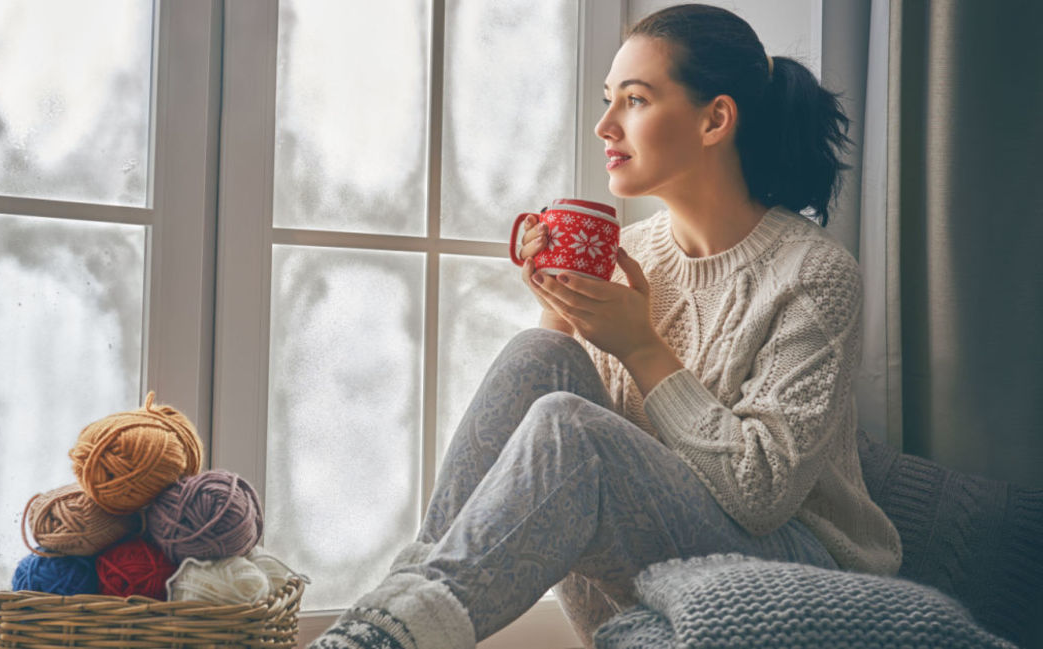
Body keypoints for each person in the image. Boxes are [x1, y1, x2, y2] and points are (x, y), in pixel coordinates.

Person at [308, 4, 901, 649]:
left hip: (799, 575)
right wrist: (559, 311)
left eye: (635, 101)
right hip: (656, 564)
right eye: (606, 100)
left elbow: (760, 492)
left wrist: (641, 346)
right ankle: (391, 620)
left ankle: (388, 633)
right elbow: (596, 450)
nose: (604, 125)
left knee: (574, 429)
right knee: (540, 354)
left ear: (715, 119)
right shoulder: (632, 251)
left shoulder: (813, 272)